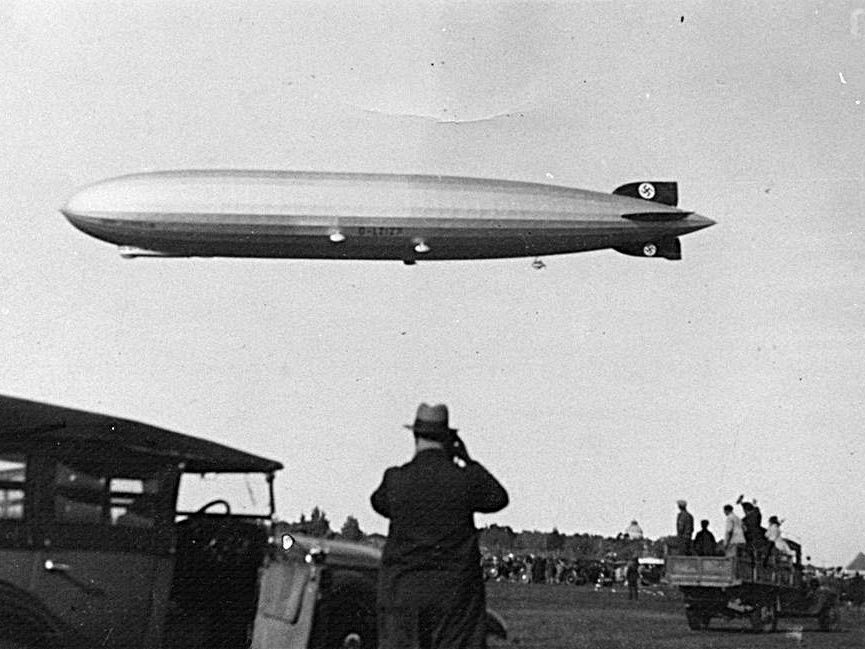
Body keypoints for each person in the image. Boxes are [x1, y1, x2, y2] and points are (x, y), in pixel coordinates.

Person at [371, 403, 509, 649]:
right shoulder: (466, 479)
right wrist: (468, 460)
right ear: (448, 439)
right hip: (454, 594)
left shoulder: (396, 479)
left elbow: (378, 503)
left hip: (403, 590)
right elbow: (498, 497)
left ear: (415, 435)